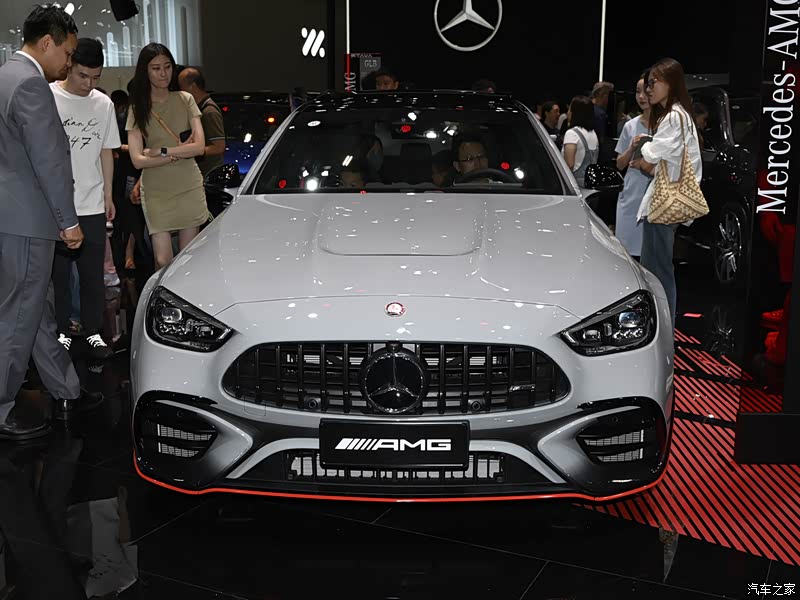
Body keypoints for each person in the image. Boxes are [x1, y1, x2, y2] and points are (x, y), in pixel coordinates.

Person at [0, 5, 93, 440]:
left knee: (34, 313)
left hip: (14, 219)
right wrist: (68, 221)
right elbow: (49, 160)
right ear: (47, 43)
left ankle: (65, 389)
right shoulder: (31, 85)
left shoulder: (5, 75)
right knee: (20, 316)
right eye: (68, 53)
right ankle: (1, 407)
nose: (69, 63)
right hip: (27, 219)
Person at [50, 38, 120, 360]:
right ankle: (63, 331)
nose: (88, 84)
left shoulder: (103, 104)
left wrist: (108, 193)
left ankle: (93, 331)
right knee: (60, 275)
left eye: (95, 77)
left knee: (93, 274)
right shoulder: (49, 96)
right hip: (58, 204)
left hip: (92, 203)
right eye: (82, 76)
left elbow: (106, 151)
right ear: (69, 66)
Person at [632, 58, 703, 327]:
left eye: (654, 83)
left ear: (670, 83)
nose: (649, 89)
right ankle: (661, 326)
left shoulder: (674, 117)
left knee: (658, 271)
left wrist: (645, 143)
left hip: (665, 203)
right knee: (658, 269)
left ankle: (663, 328)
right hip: (666, 201)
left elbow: (652, 154)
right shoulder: (680, 115)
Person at [126, 43, 207, 270]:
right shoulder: (138, 108)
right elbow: (137, 160)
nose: (163, 73)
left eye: (167, 66)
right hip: (156, 190)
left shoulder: (185, 99)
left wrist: (161, 151)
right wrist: (175, 155)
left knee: (187, 261)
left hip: (188, 184)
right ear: (145, 71)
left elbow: (199, 147)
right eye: (156, 68)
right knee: (162, 260)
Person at [613, 74, 653, 260]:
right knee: (626, 252)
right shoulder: (630, 126)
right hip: (631, 192)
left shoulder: (665, 126)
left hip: (654, 193)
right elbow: (619, 164)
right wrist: (631, 148)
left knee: (650, 252)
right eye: (638, 92)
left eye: (646, 91)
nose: (641, 97)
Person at [178, 66, 226, 179]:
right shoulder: (200, 109)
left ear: (193, 86)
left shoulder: (209, 112)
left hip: (209, 175)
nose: (180, 93)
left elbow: (219, 147)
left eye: (182, 88)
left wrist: (191, 151)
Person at [562, 96, 599, 187]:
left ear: (575, 113)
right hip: (591, 185)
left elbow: (569, 165)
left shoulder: (571, 134)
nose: (568, 112)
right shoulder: (593, 134)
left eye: (570, 109)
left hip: (575, 184)